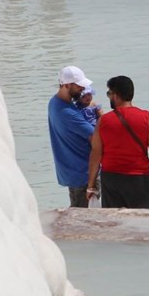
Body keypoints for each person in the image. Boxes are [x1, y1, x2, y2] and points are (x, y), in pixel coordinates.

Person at [86, 76, 149, 208]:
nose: (109, 97)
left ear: (116, 95)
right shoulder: (146, 117)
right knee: (143, 223)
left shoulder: (103, 121)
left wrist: (91, 185)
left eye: (109, 93)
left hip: (111, 180)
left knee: (115, 224)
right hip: (139, 180)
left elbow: (96, 154)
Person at [48, 67, 96, 207]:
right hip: (83, 174)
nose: (83, 88)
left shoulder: (54, 103)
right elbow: (95, 137)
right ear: (66, 85)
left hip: (73, 171)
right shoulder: (67, 112)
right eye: (79, 86)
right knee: (86, 219)